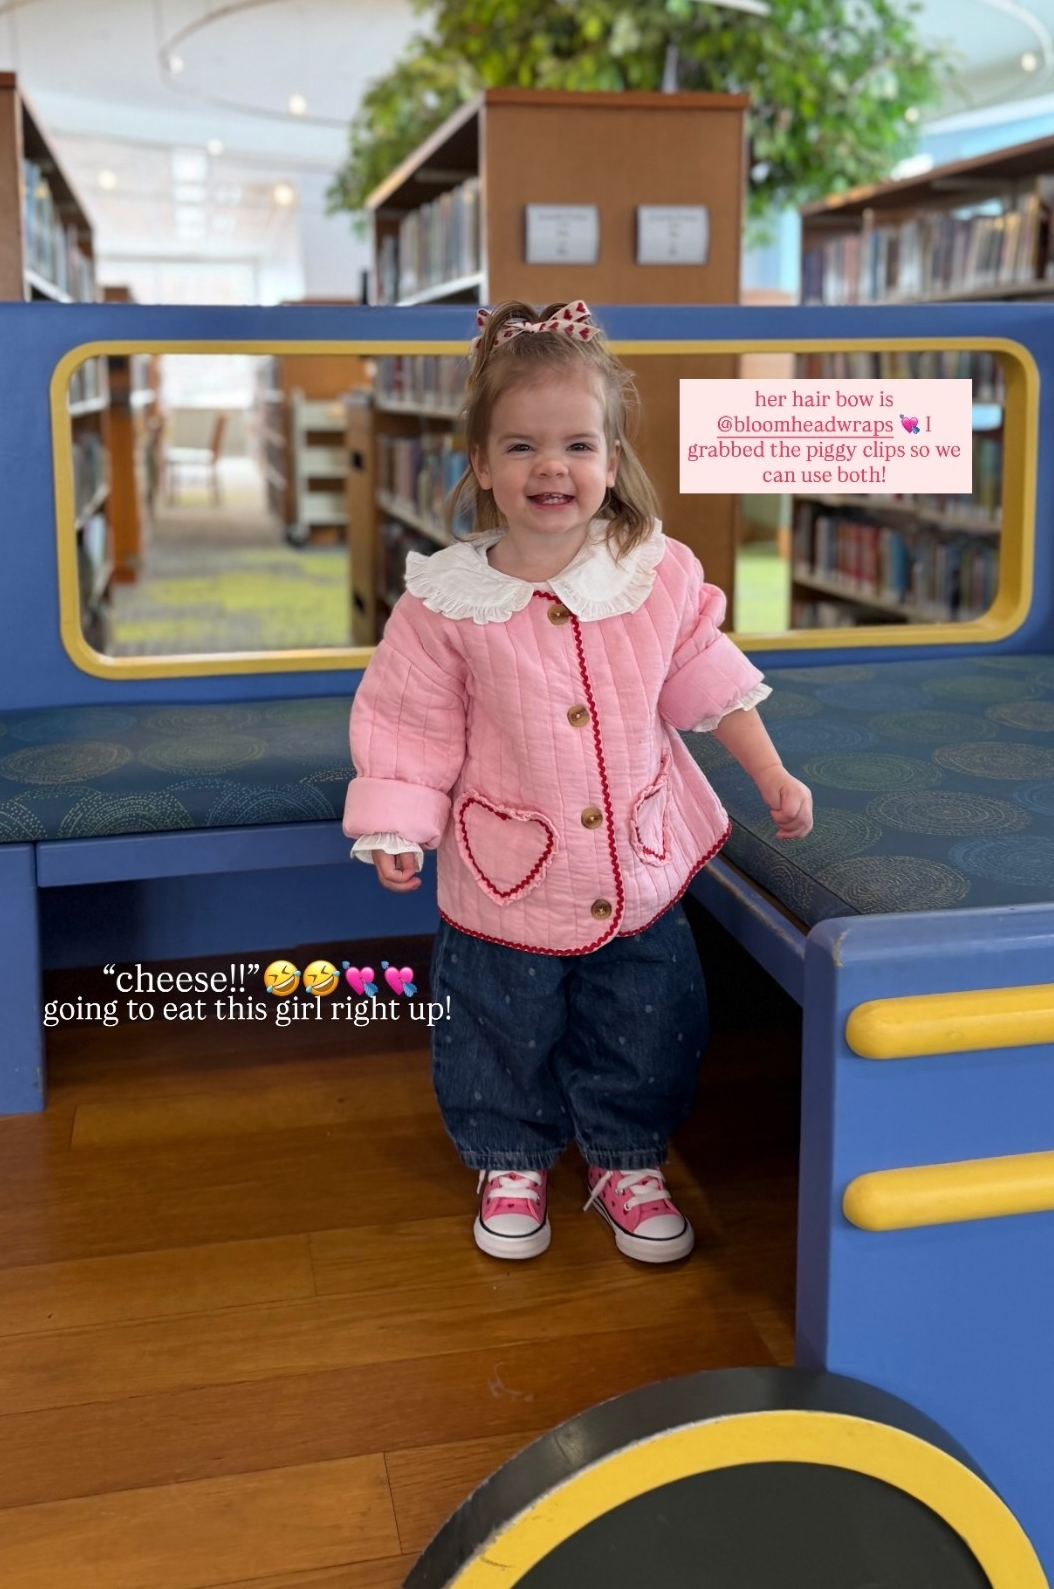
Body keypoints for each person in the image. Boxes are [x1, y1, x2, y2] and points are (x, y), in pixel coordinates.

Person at [343, 300, 813, 1265]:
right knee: (497, 1015)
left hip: (637, 859)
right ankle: (509, 1153)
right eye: (520, 447)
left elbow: (705, 676)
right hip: (506, 867)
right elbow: (408, 724)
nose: (550, 468)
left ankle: (625, 1155)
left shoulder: (656, 575)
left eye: (576, 445)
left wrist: (767, 770)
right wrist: (398, 823)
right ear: (481, 466)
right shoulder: (445, 604)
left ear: (611, 459)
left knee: (646, 1014)